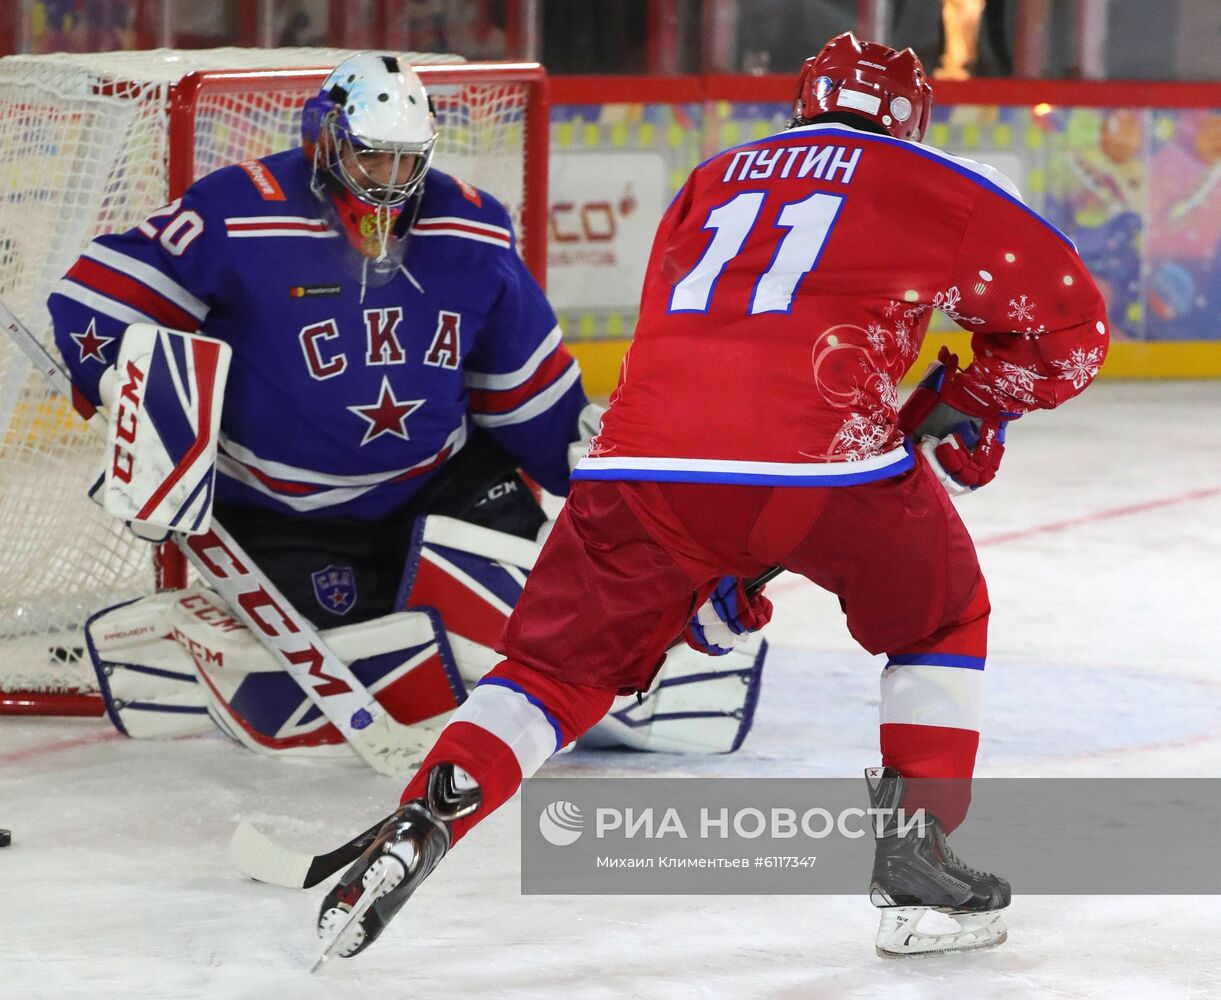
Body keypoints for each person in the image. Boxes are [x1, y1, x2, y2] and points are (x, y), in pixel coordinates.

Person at [312, 32, 1110, 961]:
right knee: (939, 617)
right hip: (822, 461)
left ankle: (428, 812)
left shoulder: (715, 176)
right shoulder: (926, 178)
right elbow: (1072, 331)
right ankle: (917, 859)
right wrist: (968, 401)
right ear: (909, 119)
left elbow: (715, 390)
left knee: (551, 672)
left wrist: (717, 562)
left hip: (635, 462)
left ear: (803, 103)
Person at [49, 52, 766, 758]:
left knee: (538, 603)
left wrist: (602, 478)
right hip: (283, 511)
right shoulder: (239, 211)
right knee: (356, 662)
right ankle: (215, 635)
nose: (391, 182)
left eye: (406, 160)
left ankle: (604, 680)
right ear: (327, 138)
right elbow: (92, 299)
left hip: (440, 483)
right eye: (372, 159)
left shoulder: (471, 226)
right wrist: (125, 385)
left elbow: (522, 385)